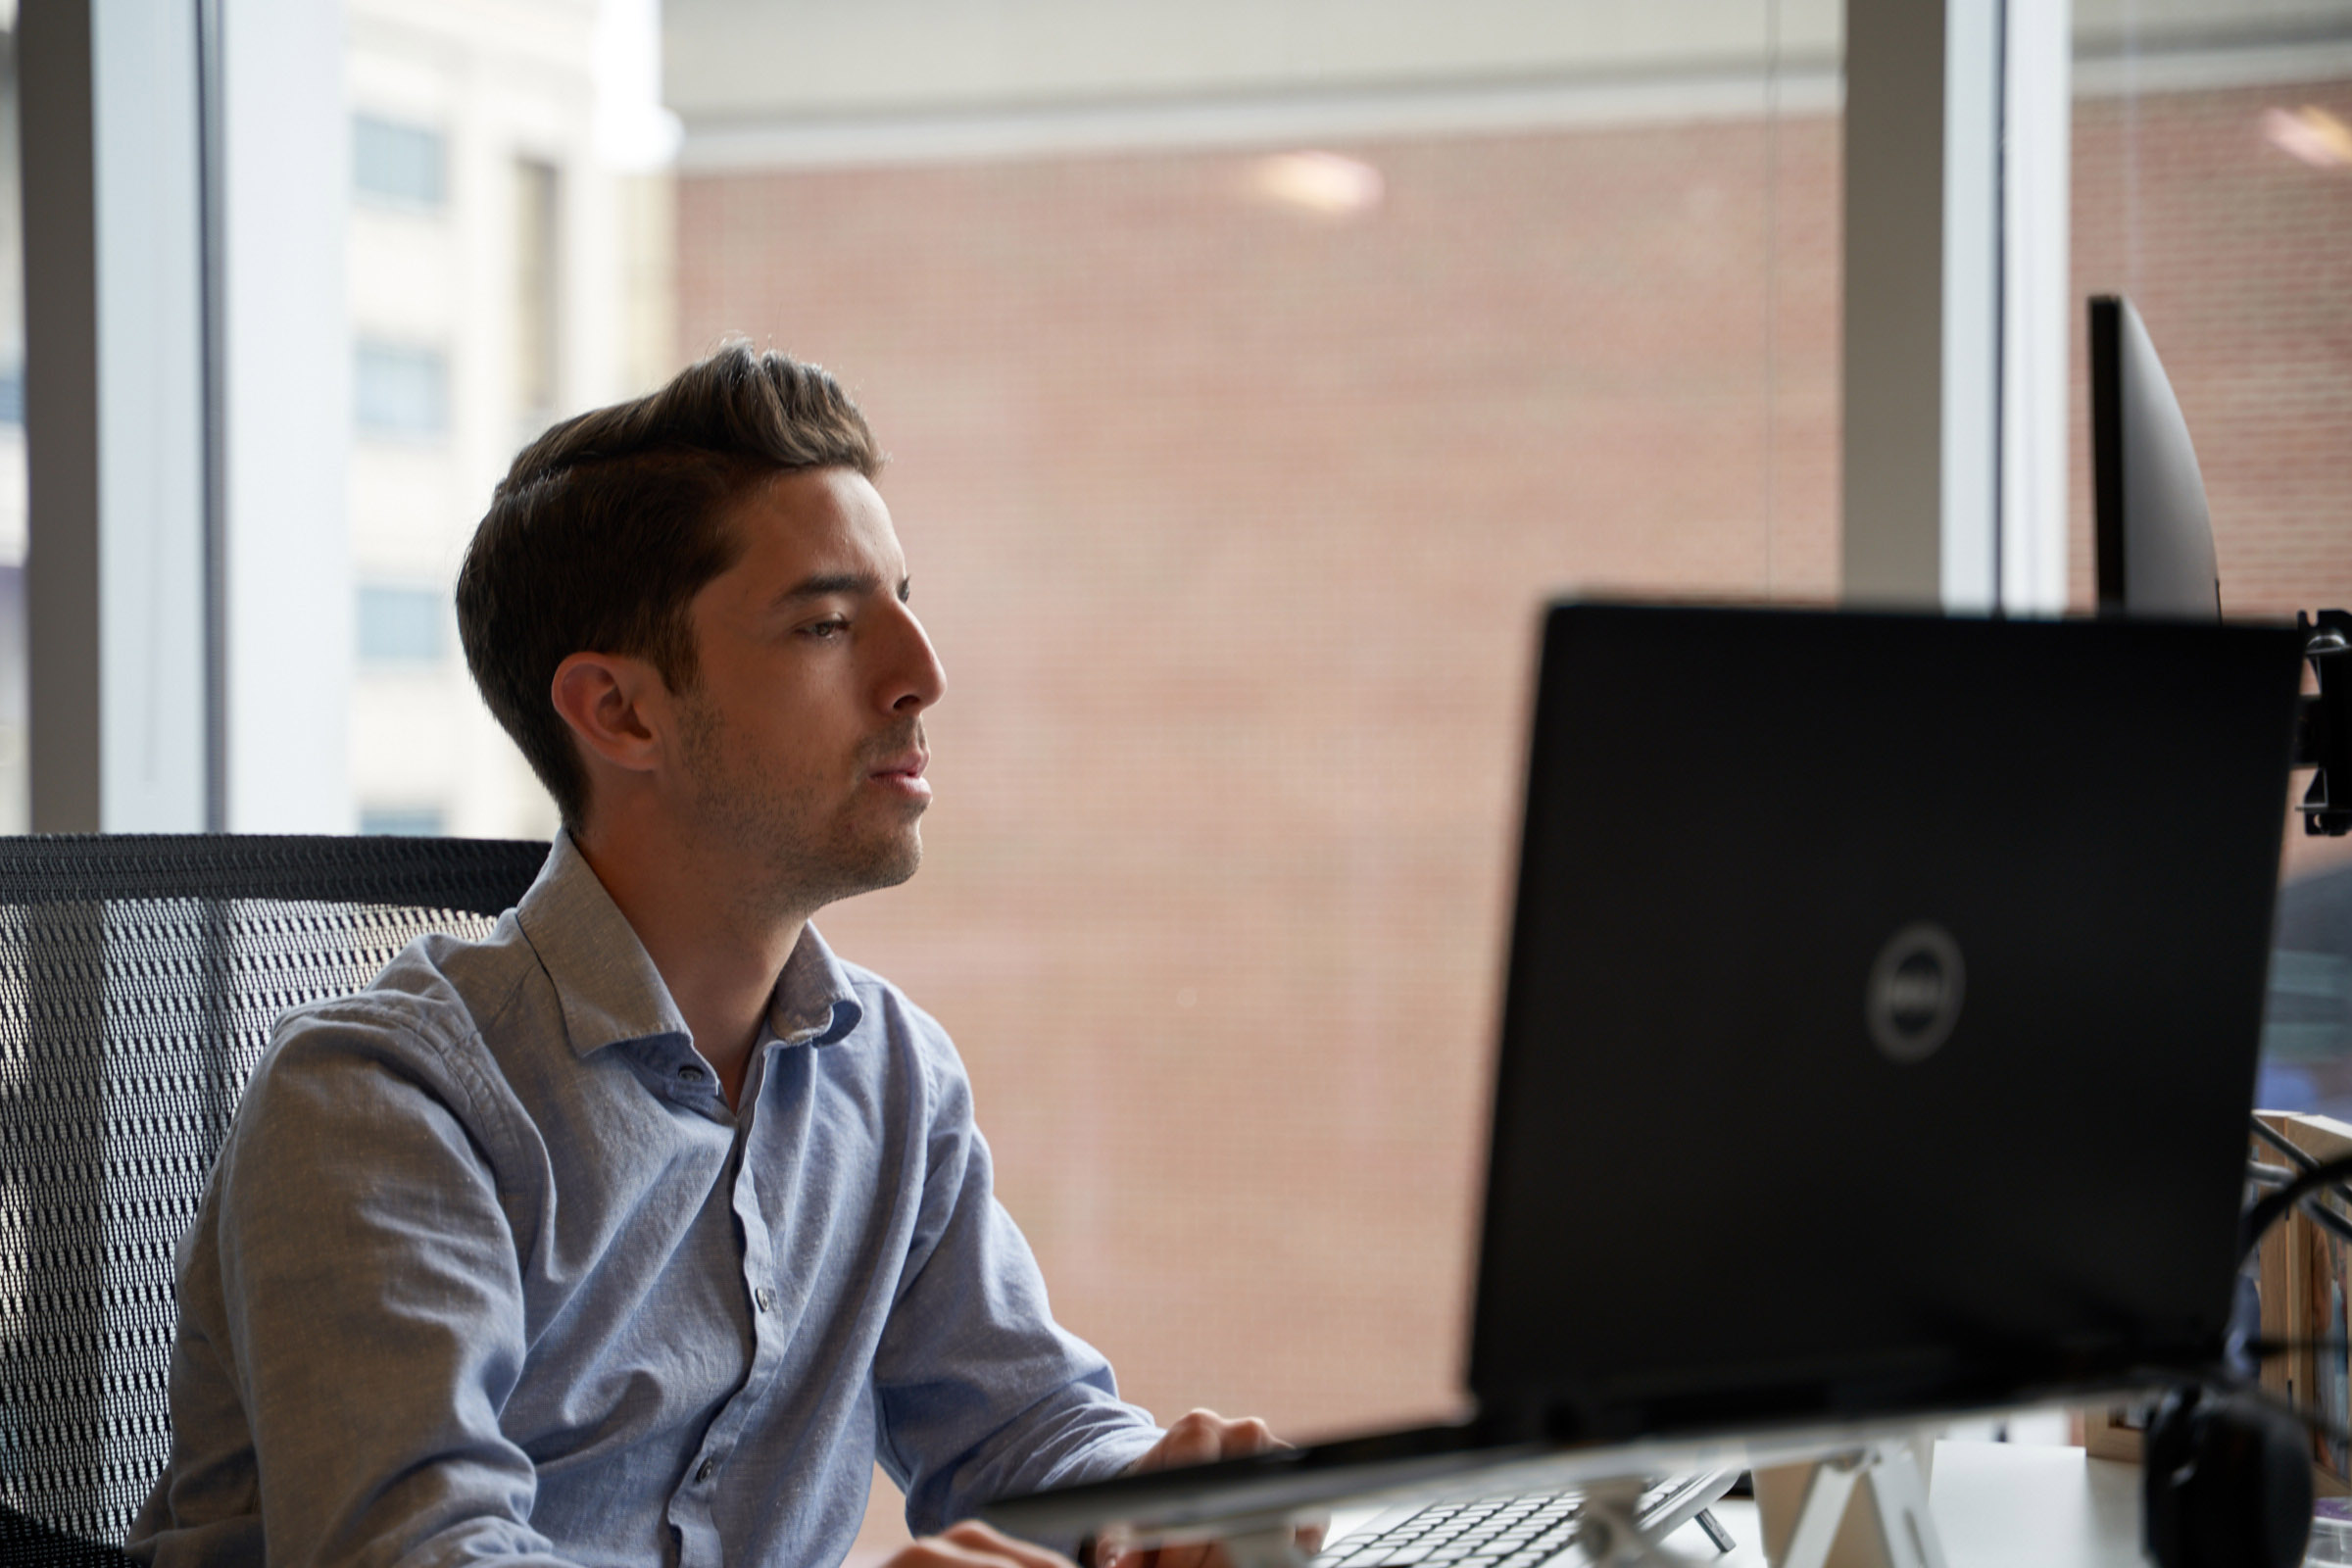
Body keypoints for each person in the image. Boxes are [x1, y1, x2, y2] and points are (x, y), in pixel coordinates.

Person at [127, 346, 1285, 1568]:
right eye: (830, 623)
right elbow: (421, 1556)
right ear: (622, 712)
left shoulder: (889, 1074)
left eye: (904, 599)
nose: (922, 673)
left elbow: (1021, 1430)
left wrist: (1153, 1499)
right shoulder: (380, 1105)